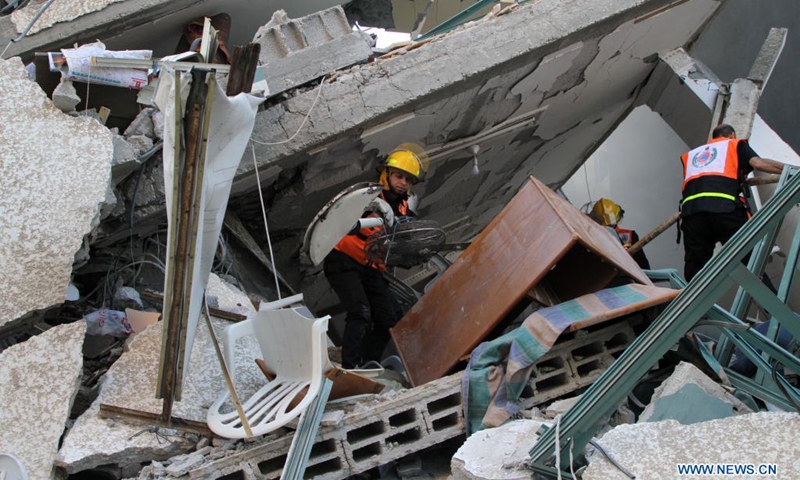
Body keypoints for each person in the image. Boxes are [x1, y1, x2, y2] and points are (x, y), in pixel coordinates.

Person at [324, 146, 425, 369]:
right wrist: (371, 209)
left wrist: (410, 254)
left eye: (408, 180)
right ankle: (351, 367)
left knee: (390, 319)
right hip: (344, 261)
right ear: (386, 174)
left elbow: (399, 243)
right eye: (399, 176)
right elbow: (340, 217)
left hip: (371, 268)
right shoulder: (367, 196)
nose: (403, 183)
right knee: (360, 312)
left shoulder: (404, 208)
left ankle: (368, 363)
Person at [680, 124, 785, 281]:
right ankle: (767, 296)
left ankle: (693, 296)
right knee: (751, 262)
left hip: (692, 214)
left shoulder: (691, 156)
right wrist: (792, 169)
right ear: (732, 135)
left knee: (696, 272)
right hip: (723, 209)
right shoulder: (734, 144)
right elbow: (759, 164)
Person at [589, 198, 651, 269]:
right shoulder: (630, 236)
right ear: (616, 218)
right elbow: (645, 268)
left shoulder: (588, 236)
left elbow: (644, 267)